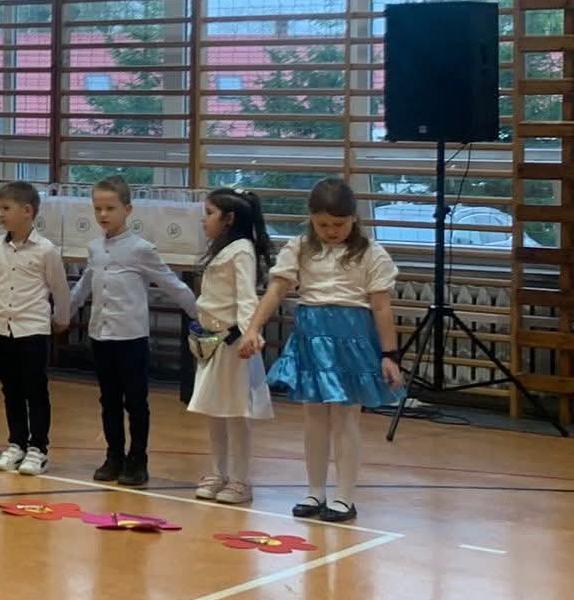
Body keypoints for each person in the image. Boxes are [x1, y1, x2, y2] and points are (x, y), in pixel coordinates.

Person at [237, 178, 403, 524]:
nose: (331, 231)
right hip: (311, 336)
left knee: (345, 417)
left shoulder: (371, 253)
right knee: (313, 417)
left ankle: (344, 496)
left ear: (354, 218)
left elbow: (381, 307)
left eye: (339, 224)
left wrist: (390, 355)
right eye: (322, 224)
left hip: (352, 339)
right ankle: (315, 491)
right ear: (311, 218)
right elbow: (276, 290)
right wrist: (253, 328)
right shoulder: (299, 248)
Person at [70, 175, 200, 488]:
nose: (103, 214)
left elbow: (172, 284)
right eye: (98, 208)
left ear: (127, 210)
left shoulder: (141, 249)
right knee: (109, 400)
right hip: (101, 336)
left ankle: (137, 459)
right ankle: (113, 456)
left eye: (110, 208)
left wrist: (201, 315)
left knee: (136, 402)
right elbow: (83, 286)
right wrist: (62, 314)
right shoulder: (94, 248)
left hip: (131, 338)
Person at [188, 188, 275, 504]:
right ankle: (217, 472)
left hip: (234, 343)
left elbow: (246, 297)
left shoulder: (241, 250)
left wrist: (251, 333)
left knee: (237, 412)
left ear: (229, 218)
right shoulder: (222, 248)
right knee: (214, 410)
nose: (204, 219)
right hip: (212, 342)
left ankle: (240, 479)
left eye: (210, 213)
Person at [0, 181, 69, 476]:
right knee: (11, 389)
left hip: (33, 330)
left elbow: (60, 288)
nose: (1, 214)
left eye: (6, 208)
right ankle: (16, 443)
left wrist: (62, 318)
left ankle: (38, 448)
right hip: (2, 328)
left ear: (27, 211)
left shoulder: (46, 250)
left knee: (35, 390)